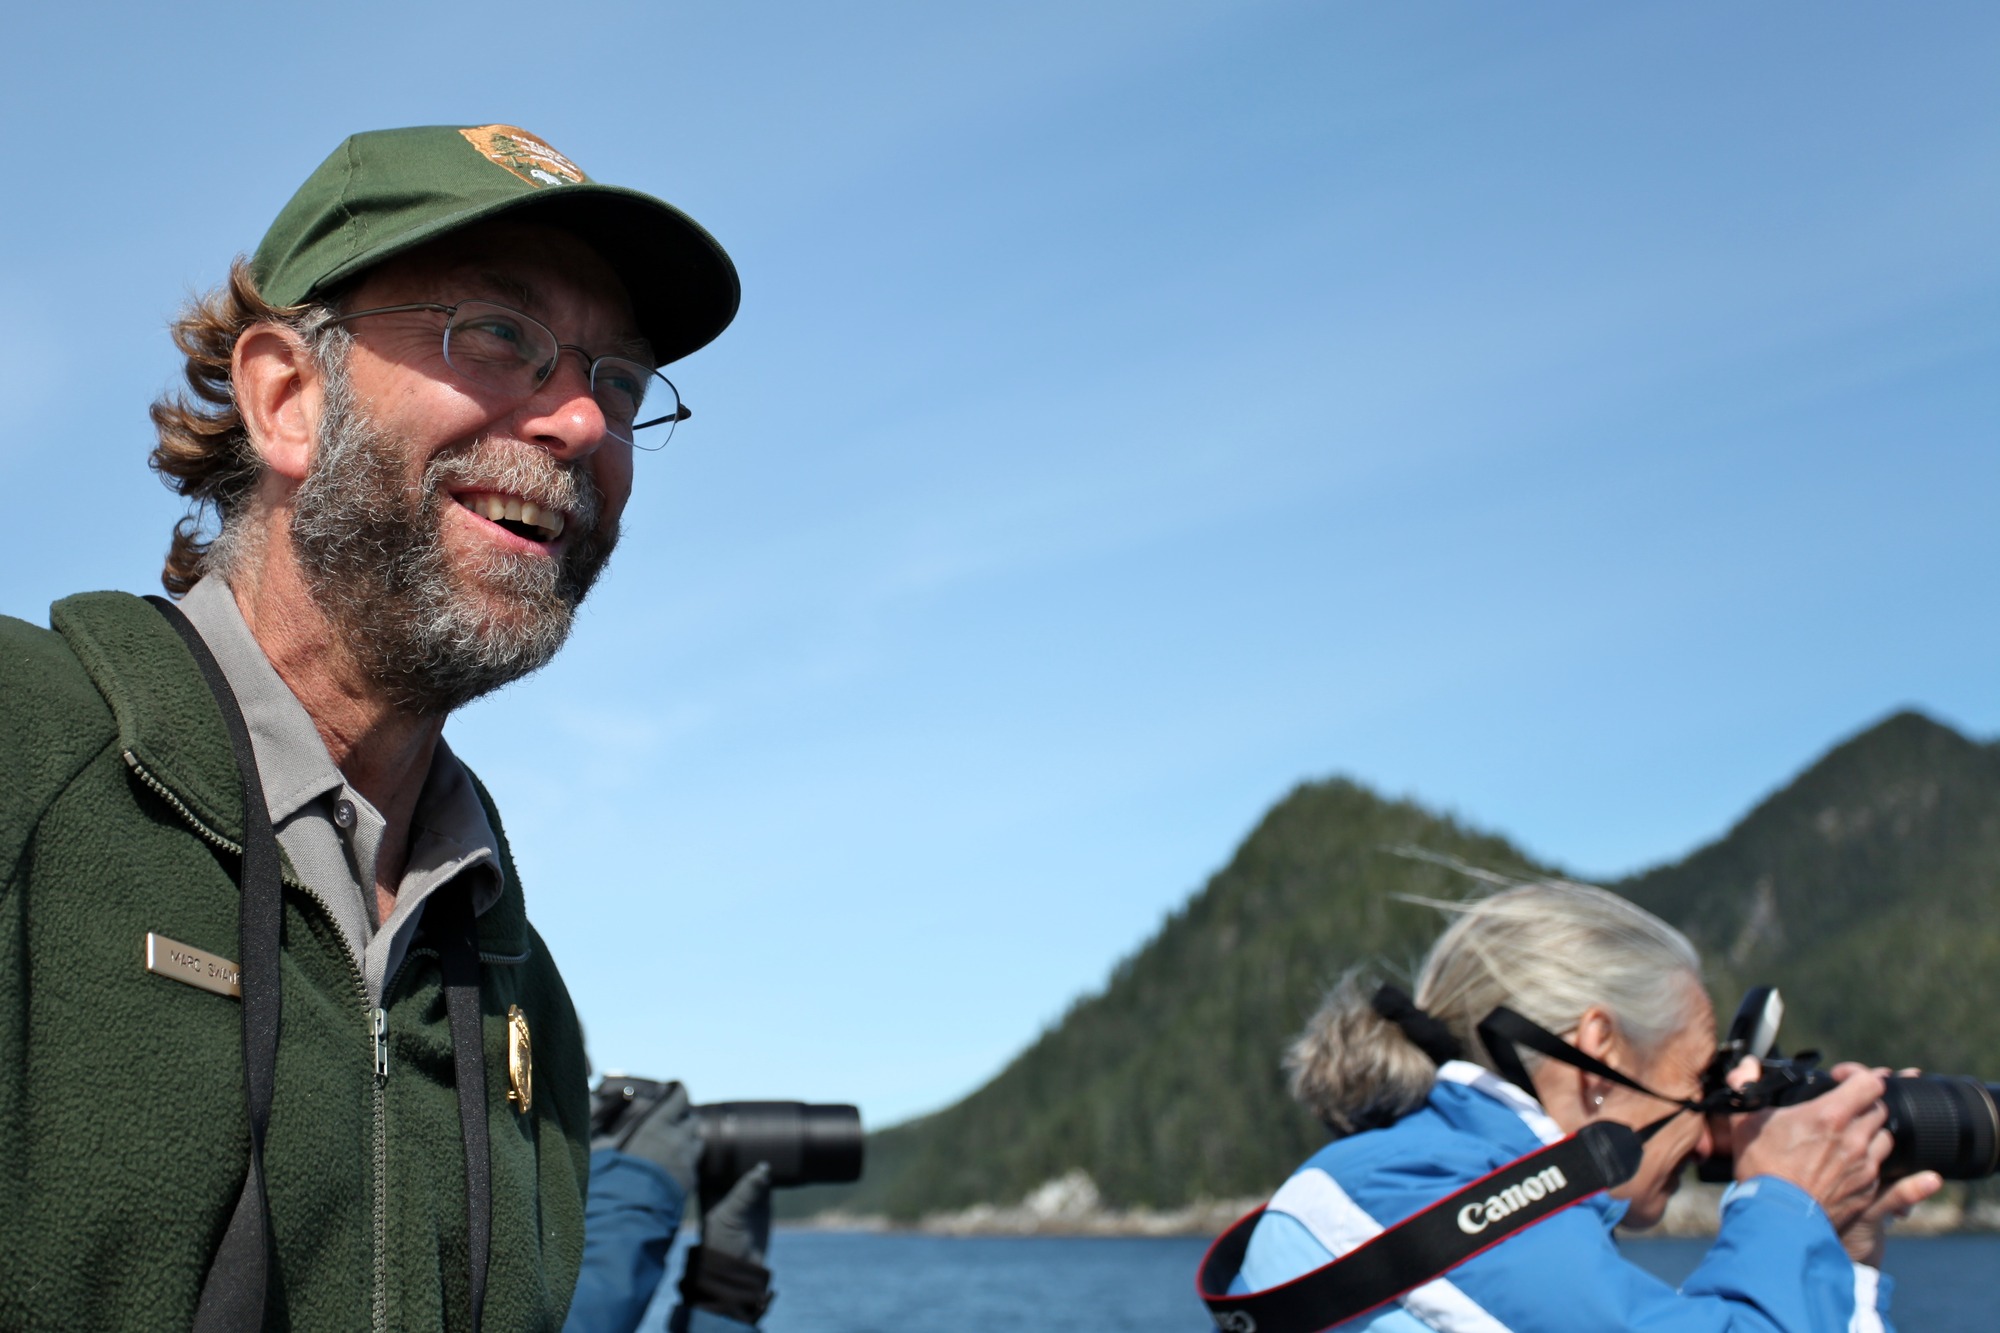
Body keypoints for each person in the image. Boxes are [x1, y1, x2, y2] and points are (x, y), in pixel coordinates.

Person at [0, 124, 746, 1329]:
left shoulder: (523, 1001)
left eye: (617, 379)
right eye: (501, 335)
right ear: (288, 399)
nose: (582, 426)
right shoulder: (22, 754)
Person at [1215, 882, 1940, 1333]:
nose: (1709, 1115)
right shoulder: (1424, 1195)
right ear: (1601, 1053)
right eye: (1700, 1073)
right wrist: (1786, 1202)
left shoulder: (1442, 1184)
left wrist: (1843, 1251)